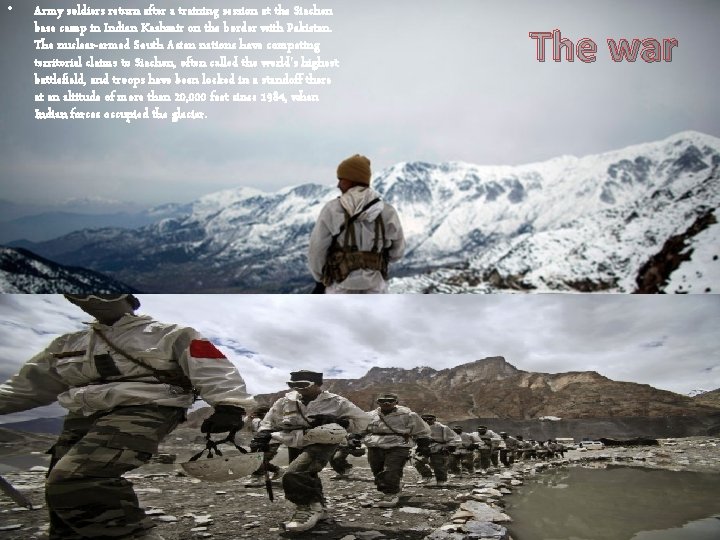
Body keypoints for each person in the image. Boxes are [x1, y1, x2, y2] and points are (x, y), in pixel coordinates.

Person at [0, 294, 255, 540]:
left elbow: (213, 368)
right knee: (59, 495)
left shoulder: (173, 333)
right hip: (82, 412)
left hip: (146, 406)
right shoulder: (67, 344)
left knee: (78, 478)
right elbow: (26, 387)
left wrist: (229, 405)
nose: (90, 298)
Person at [250, 370, 370, 533]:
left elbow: (362, 421)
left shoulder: (337, 402)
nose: (298, 388)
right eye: (293, 385)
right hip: (295, 441)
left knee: (294, 473)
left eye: (303, 385)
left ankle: (305, 509)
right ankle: (319, 508)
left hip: (324, 440)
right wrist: (263, 434)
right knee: (308, 474)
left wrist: (340, 422)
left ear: (318, 385)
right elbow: (269, 421)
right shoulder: (285, 401)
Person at [308, 154, 405, 293]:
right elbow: (397, 252)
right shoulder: (387, 211)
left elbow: (316, 251)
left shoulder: (332, 209)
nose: (338, 184)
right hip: (376, 289)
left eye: (341, 179)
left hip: (339, 289)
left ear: (351, 180)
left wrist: (321, 277)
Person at [362, 393, 431, 507]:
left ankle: (391, 494)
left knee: (391, 469)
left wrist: (423, 445)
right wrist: (355, 437)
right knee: (377, 471)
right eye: (382, 400)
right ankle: (394, 487)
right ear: (377, 402)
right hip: (374, 444)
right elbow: (361, 428)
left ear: (396, 402)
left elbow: (421, 430)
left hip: (398, 445)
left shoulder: (408, 415)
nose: (386, 403)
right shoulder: (369, 415)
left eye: (390, 400)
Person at [413, 414, 461, 486]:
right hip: (423, 447)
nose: (427, 421)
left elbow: (454, 439)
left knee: (438, 464)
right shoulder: (418, 428)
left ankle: (441, 480)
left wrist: (449, 446)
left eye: (430, 419)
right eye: (425, 419)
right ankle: (426, 476)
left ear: (434, 420)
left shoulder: (443, 428)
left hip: (438, 447)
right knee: (417, 462)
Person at [246, 406, 283, 485]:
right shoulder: (256, 421)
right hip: (259, 443)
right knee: (256, 459)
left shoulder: (273, 420)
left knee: (261, 460)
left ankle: (259, 478)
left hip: (271, 443)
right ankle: (275, 471)